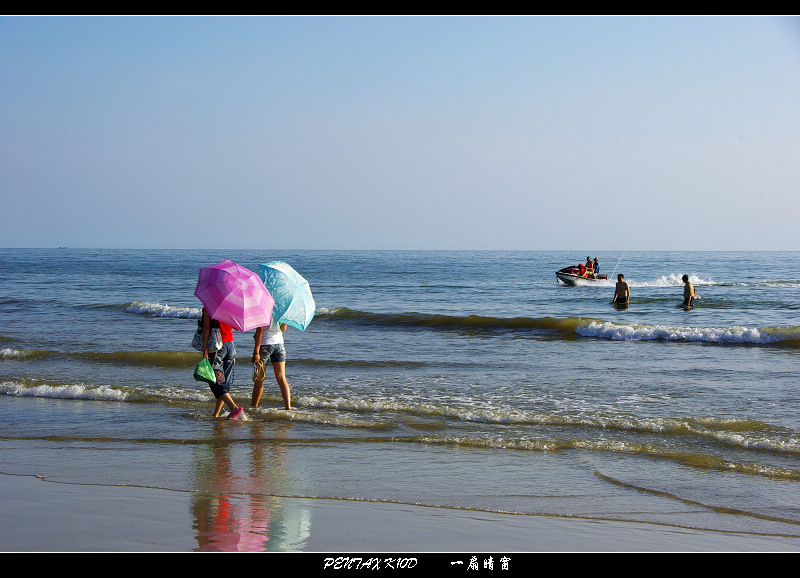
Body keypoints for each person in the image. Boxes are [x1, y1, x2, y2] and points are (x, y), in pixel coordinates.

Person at [202, 308, 244, 419]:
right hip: (230, 346)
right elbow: (237, 327)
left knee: (215, 381)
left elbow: (206, 328)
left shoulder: (209, 308)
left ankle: (234, 408)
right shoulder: (230, 307)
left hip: (217, 347)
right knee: (224, 381)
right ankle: (215, 414)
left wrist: (204, 347)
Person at [252, 316, 292, 410]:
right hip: (279, 344)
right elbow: (283, 329)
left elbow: (259, 331)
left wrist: (256, 352)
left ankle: (254, 407)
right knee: (282, 378)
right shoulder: (281, 311)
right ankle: (288, 406)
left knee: (260, 378)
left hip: (265, 344)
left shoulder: (263, 309)